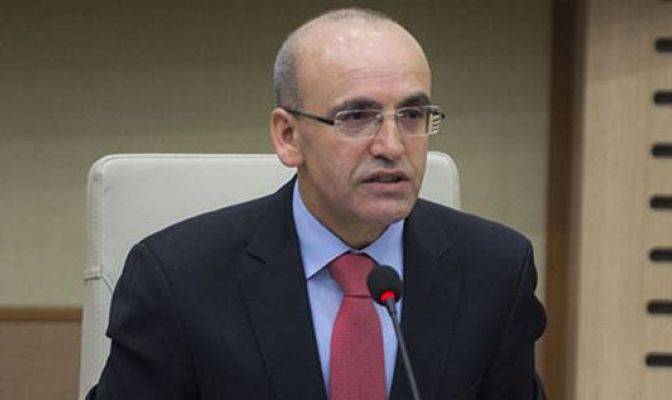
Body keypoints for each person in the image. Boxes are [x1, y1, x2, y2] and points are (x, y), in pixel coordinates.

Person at [86, 7, 545, 400]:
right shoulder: (179, 279)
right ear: (288, 136)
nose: (392, 145)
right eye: (357, 116)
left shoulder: (496, 271)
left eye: (411, 115)